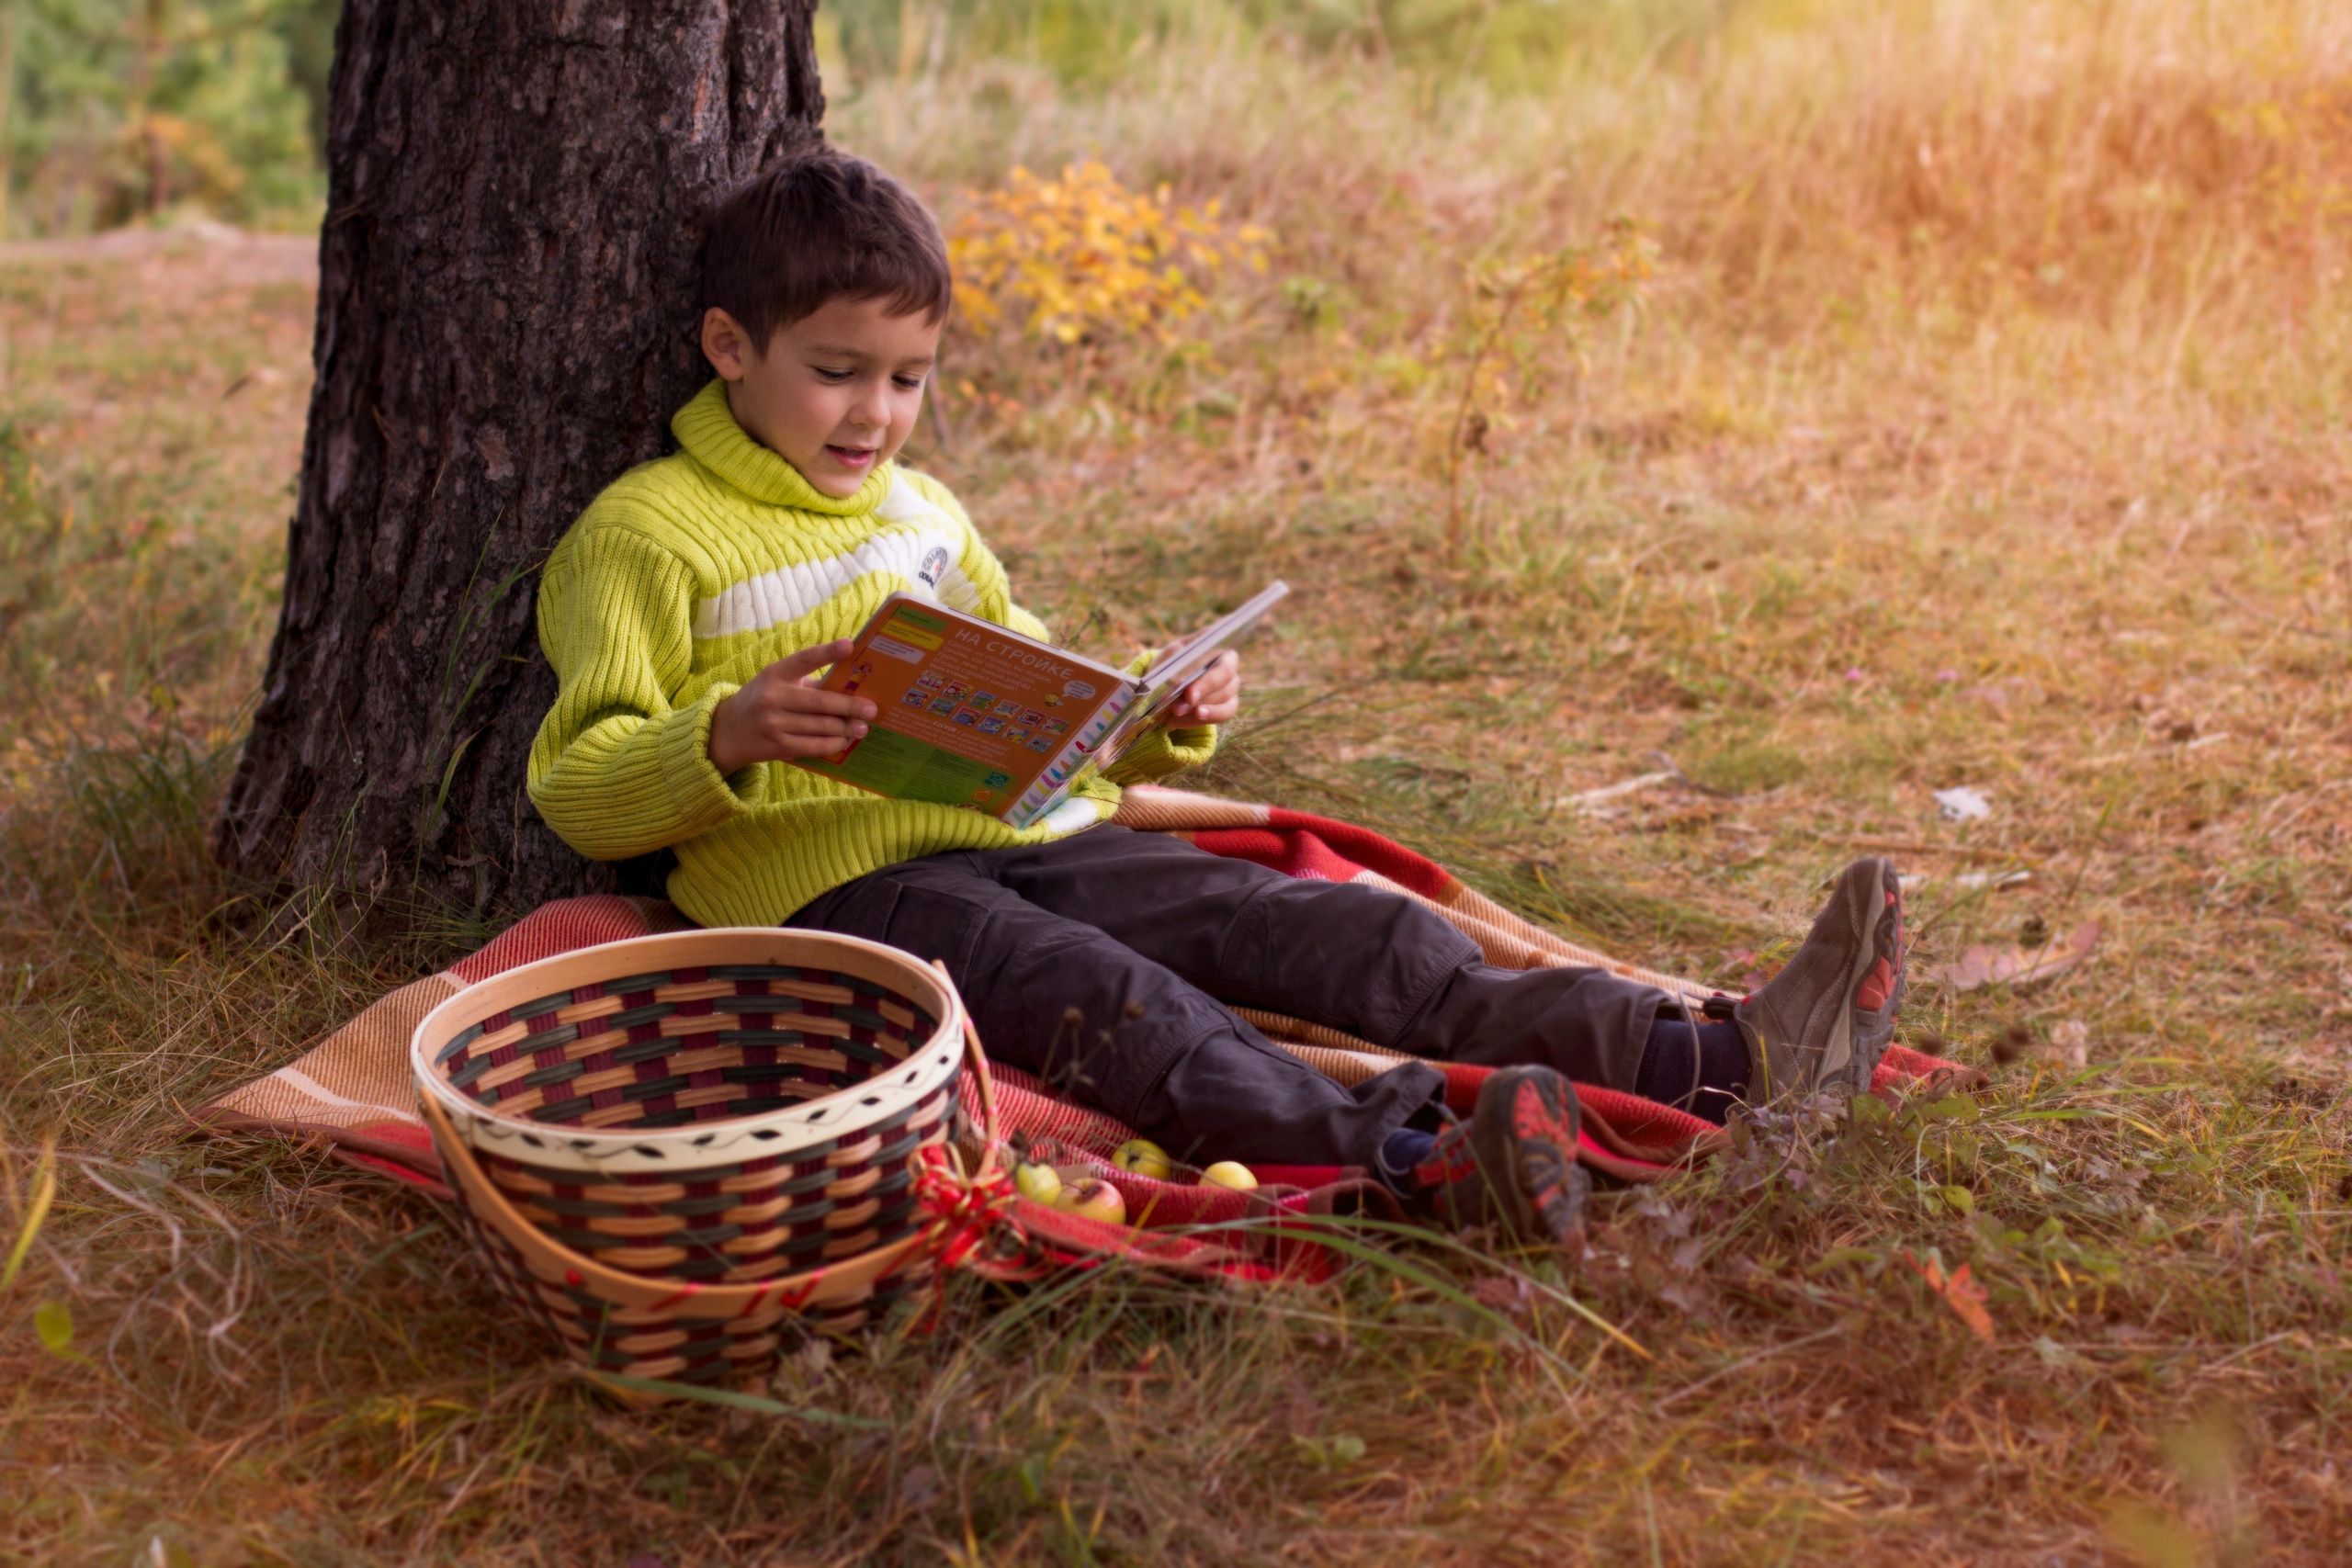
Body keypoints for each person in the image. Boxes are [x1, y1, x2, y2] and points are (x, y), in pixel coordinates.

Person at [527, 149, 1907, 1247]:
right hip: (844, 899)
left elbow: (1024, 681)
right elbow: (577, 782)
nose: (874, 415)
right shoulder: (650, 537)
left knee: (1338, 932)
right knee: (1121, 1007)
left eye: (907, 380)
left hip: (1033, 837)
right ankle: (1428, 1168)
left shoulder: (925, 514)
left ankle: (1722, 1058)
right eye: (834, 373)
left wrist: (1159, 712)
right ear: (727, 346)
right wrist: (725, 731)